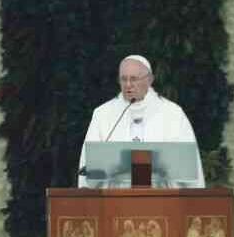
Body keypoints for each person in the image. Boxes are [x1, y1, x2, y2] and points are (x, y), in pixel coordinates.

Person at [78, 55, 205, 187]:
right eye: (123, 79)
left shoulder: (173, 114)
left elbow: (187, 165)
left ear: (150, 80)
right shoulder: (102, 114)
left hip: (162, 201)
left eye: (133, 79)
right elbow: (88, 165)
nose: (128, 85)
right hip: (114, 202)